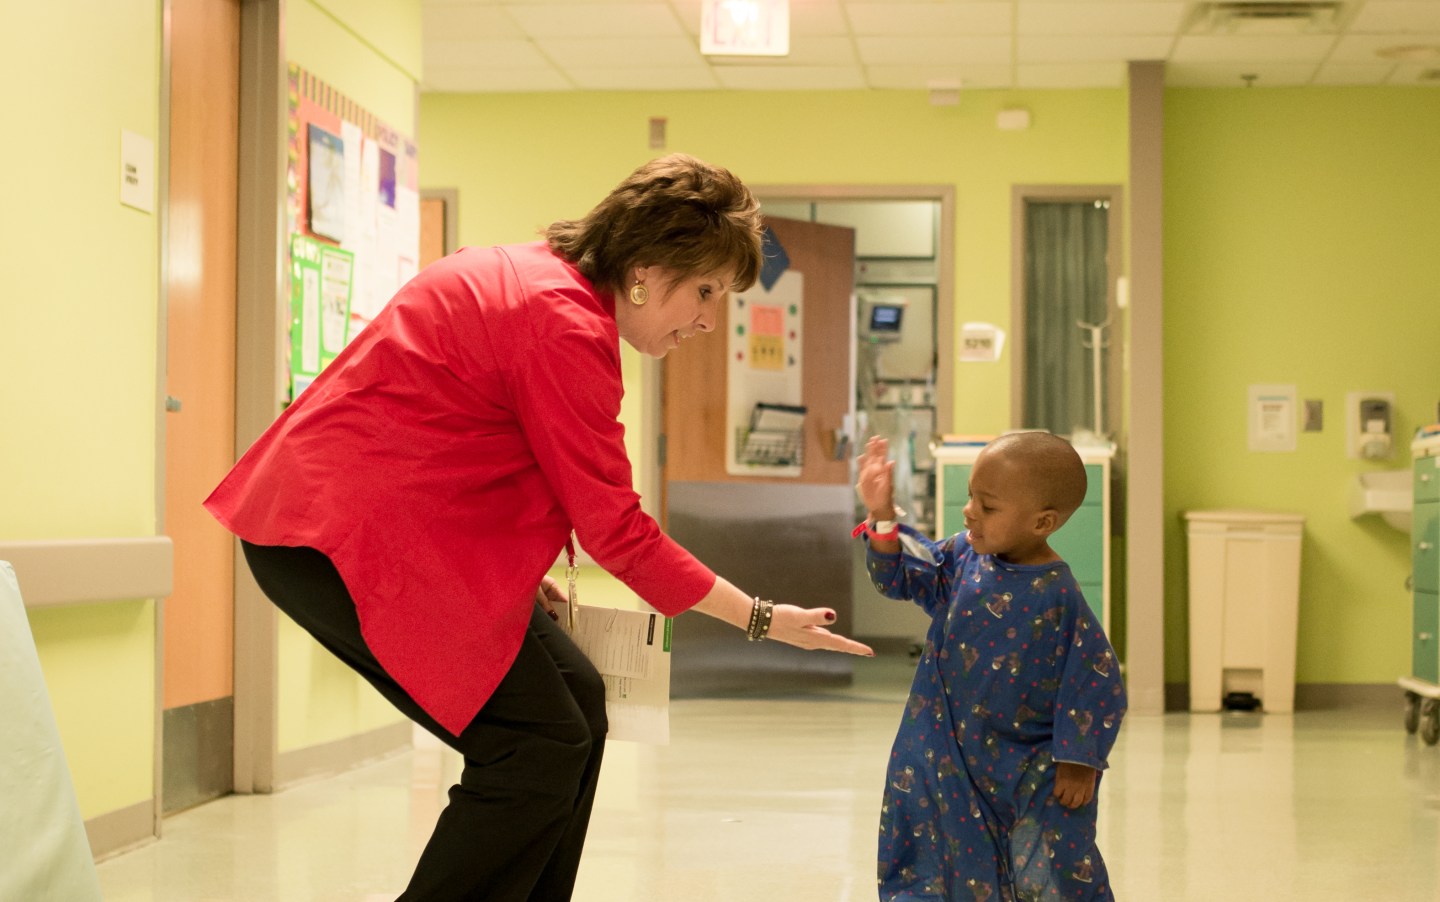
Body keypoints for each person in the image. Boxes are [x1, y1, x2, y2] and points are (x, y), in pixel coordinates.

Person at [204, 153, 874, 902]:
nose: (711, 320)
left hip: (367, 524)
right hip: (332, 538)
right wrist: (759, 617)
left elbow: (462, 443)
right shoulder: (561, 326)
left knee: (577, 703)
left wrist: (515, 579)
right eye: (706, 291)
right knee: (533, 745)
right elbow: (617, 532)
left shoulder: (535, 280)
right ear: (646, 271)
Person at [854, 432, 1125, 901]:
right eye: (970, 497)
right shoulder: (962, 556)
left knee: (1045, 861)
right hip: (938, 748)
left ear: (1042, 522)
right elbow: (901, 575)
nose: (969, 512)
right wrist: (882, 517)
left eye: (989, 506)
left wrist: (1079, 760)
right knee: (928, 851)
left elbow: (1095, 678)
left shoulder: (1058, 595)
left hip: (1022, 765)